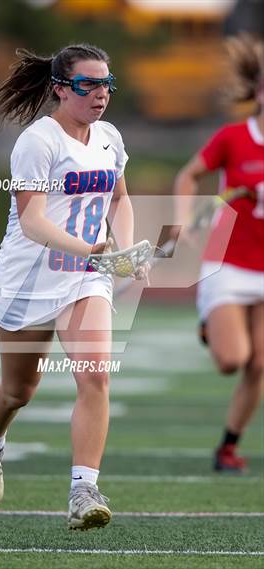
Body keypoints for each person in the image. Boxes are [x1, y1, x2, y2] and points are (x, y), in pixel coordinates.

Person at [0, 44, 145, 530]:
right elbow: (31, 221)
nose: (100, 94)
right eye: (88, 84)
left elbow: (120, 201)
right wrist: (87, 248)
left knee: (96, 375)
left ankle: (83, 490)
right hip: (29, 278)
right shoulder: (37, 141)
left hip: (84, 278)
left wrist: (123, 250)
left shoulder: (109, 137)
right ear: (60, 88)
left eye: (107, 84)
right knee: (18, 391)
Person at [173, 34, 264, 473]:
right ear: (259, 94)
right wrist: (182, 220)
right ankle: (211, 324)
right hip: (228, 262)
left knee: (260, 363)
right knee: (233, 361)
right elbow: (188, 175)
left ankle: (227, 447)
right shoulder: (233, 137)